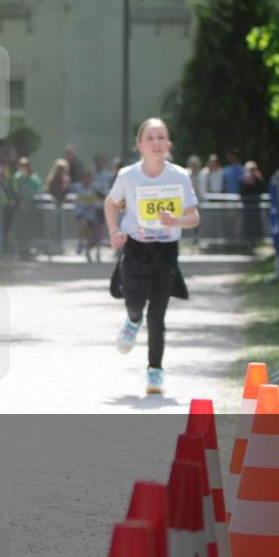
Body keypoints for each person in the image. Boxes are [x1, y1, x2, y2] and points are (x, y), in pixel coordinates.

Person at [104, 118, 199, 395]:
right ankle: (133, 320)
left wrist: (177, 220)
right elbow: (111, 203)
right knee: (134, 301)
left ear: (168, 144)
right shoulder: (128, 176)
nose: (156, 143)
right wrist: (113, 231)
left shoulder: (180, 176)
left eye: (162, 138)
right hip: (135, 249)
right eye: (151, 138)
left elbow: (194, 216)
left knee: (158, 315)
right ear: (140, 145)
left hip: (165, 252)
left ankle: (155, 371)